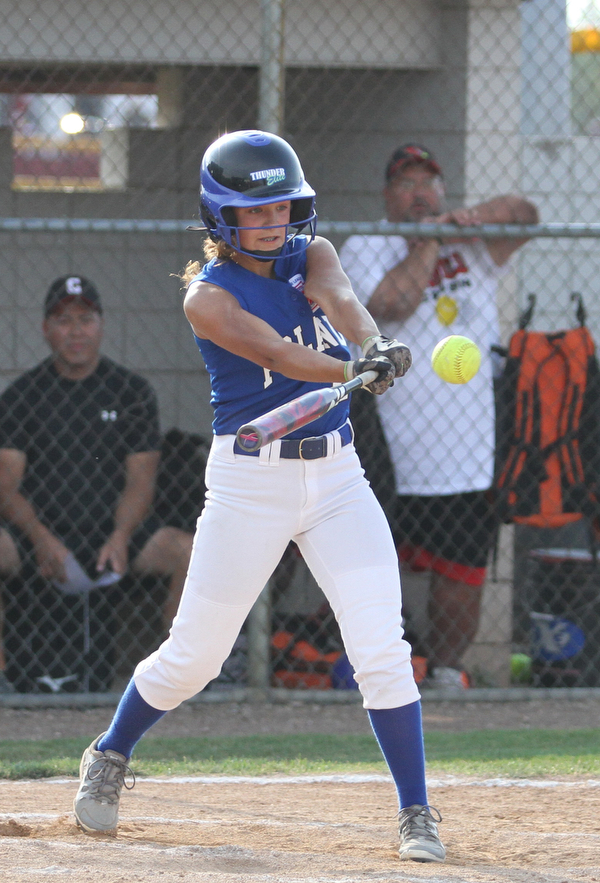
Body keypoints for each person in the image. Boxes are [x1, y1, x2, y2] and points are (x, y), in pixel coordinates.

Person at [71, 129, 445, 864]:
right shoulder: (207, 299)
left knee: (381, 648)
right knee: (196, 656)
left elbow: (341, 300)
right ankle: (111, 752)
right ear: (222, 218)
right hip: (250, 482)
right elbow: (275, 353)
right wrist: (346, 368)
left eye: (283, 206)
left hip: (338, 477)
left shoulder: (314, 254)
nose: (274, 222)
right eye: (256, 211)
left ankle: (415, 810)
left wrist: (368, 346)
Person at [340, 143, 539, 689]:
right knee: (379, 570)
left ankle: (448, 671)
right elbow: (390, 305)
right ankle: (391, 674)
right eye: (406, 183)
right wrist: (429, 238)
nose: (419, 192)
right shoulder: (369, 245)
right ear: (388, 196)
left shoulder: (471, 245)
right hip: (389, 451)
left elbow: (527, 215)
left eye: (429, 181)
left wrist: (477, 218)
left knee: (462, 573)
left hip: (468, 452)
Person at [0, 275, 194, 692]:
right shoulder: (20, 396)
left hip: (113, 535)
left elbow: (141, 481)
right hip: (40, 536)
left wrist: (122, 535)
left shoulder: (131, 391)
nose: (75, 331)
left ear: (101, 325)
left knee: (190, 551)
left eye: (85, 319)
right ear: (46, 329)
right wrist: (39, 537)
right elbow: (6, 486)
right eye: (64, 321)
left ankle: (178, 676)